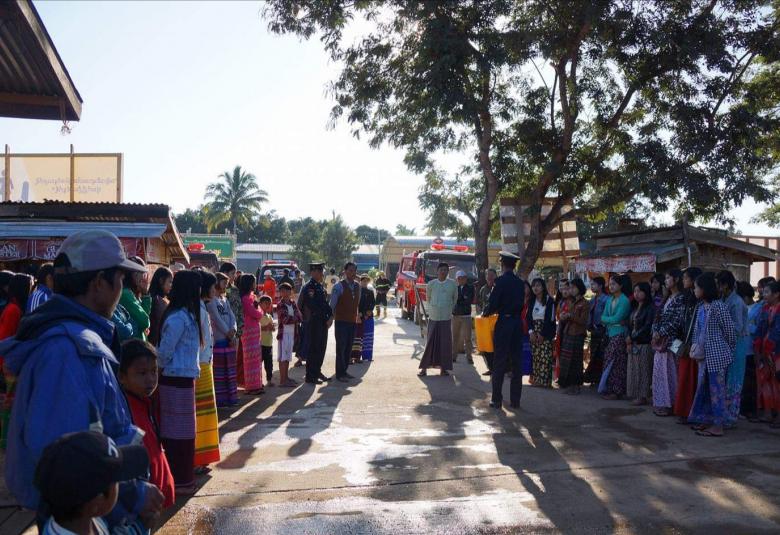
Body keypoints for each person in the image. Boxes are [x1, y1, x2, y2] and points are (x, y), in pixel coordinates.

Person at [0, 230, 164, 529]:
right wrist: (133, 496)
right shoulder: (68, 352)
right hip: (89, 519)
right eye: (120, 279)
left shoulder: (75, 340)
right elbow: (71, 467)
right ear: (99, 283)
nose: (122, 289)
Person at [34, 431, 151, 535]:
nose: (120, 484)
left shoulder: (84, 520)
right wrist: (140, 529)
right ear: (97, 502)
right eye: (117, 481)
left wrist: (139, 528)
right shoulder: (88, 519)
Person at [157, 270, 202, 495]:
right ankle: (178, 480)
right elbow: (164, 352)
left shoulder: (185, 315)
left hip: (182, 378)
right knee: (176, 434)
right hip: (174, 379)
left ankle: (183, 479)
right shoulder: (178, 318)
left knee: (184, 433)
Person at [118, 339, 175, 509]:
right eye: (142, 373)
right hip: (143, 499)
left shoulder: (147, 402)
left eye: (154, 371)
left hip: (155, 494)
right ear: (122, 377)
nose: (150, 379)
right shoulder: (124, 411)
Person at [688, 273, 736, 437]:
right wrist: (696, 351)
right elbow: (697, 332)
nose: (694, 290)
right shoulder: (701, 307)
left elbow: (730, 331)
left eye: (696, 287)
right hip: (703, 357)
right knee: (704, 390)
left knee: (717, 391)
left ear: (704, 289)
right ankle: (707, 420)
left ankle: (718, 425)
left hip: (717, 356)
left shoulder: (718, 307)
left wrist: (727, 351)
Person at [481, 252, 525, 409]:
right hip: (517, 323)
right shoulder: (520, 283)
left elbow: (493, 303)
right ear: (513, 266)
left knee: (499, 361)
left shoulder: (499, 282)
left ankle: (496, 399)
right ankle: (515, 401)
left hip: (504, 323)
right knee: (516, 362)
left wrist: (485, 313)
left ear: (502, 264)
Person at [0, 273, 33, 449]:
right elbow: (6, 338)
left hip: (8, 362)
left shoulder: (12, 307)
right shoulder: (14, 310)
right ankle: (6, 440)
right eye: (30, 286)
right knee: (10, 404)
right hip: (9, 363)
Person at [716, 270, 749, 428]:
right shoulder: (723, 299)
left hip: (736, 345)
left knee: (733, 381)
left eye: (718, 284)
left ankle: (730, 417)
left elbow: (737, 328)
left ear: (724, 285)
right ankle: (724, 414)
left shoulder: (736, 302)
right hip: (726, 345)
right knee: (725, 381)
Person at [651, 269, 686, 417]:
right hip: (661, 342)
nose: (666, 281)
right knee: (660, 373)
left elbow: (677, 321)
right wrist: (655, 331)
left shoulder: (681, 298)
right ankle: (662, 403)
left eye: (668, 278)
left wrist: (661, 332)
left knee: (672, 373)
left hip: (673, 341)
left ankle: (672, 404)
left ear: (676, 279)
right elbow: (658, 317)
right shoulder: (668, 298)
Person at [195, 271, 220, 470]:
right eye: (212, 286)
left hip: (205, 364)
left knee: (206, 414)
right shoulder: (197, 309)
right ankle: (198, 459)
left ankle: (202, 458)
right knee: (202, 415)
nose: (215, 290)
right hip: (201, 366)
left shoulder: (201, 307)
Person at [673, 266, 703, 422]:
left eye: (686, 278)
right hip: (684, 343)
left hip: (694, 345)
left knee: (692, 379)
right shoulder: (686, 298)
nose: (683, 280)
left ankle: (691, 413)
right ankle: (683, 411)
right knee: (684, 378)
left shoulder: (700, 302)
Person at [418, 263, 457, 377]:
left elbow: (455, 299)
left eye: (445, 270)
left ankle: (443, 369)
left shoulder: (452, 284)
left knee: (445, 343)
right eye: (441, 270)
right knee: (430, 342)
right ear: (437, 271)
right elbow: (428, 298)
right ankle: (424, 369)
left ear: (448, 272)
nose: (443, 272)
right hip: (434, 317)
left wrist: (448, 308)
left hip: (446, 317)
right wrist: (434, 308)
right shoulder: (431, 284)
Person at [298, 262, 333, 385]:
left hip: (322, 322)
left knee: (321, 348)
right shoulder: (310, 287)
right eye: (321, 272)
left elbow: (325, 304)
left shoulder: (319, 286)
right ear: (313, 272)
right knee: (314, 349)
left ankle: (317, 371)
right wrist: (326, 317)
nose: (322, 274)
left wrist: (331, 316)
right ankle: (310, 376)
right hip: (313, 322)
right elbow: (313, 306)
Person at [743, 277, 772, 421]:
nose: (761, 291)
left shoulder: (763, 308)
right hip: (756, 347)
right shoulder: (763, 307)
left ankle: (764, 412)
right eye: (761, 288)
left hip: (768, 349)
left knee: (761, 382)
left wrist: (747, 327)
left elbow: (762, 328)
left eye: (765, 289)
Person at [208, 272, 238, 407]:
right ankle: (221, 400)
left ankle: (231, 398)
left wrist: (233, 330)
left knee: (230, 372)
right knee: (220, 373)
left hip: (229, 340)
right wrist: (228, 333)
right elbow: (216, 318)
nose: (226, 286)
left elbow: (232, 317)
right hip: (219, 340)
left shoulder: (225, 299)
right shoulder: (211, 301)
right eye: (224, 283)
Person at [599, 276, 631, 400]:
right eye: (610, 284)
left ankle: (617, 391)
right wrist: (609, 320)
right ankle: (609, 389)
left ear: (620, 285)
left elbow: (616, 318)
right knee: (608, 362)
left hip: (620, 334)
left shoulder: (624, 300)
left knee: (617, 364)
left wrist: (608, 320)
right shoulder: (610, 299)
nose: (611, 286)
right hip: (610, 334)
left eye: (614, 284)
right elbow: (603, 317)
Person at [330, 262, 361, 382]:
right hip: (341, 321)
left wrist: (357, 316)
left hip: (352, 321)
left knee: (348, 347)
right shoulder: (338, 286)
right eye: (350, 270)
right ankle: (339, 373)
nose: (353, 273)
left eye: (354, 271)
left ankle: (344, 371)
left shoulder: (357, 286)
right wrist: (330, 318)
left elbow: (357, 303)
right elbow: (332, 305)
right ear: (345, 271)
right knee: (341, 348)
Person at [755, 281, 780, 427]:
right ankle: (768, 412)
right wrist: (758, 347)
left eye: (766, 292)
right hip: (765, 351)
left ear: (776, 294)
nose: (763, 295)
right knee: (765, 382)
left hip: (777, 352)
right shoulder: (764, 309)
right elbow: (759, 329)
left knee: (777, 383)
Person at [558, 278, 589, 395]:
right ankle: (568, 384)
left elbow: (583, 320)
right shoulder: (572, 302)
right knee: (566, 360)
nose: (571, 290)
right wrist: (564, 316)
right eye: (570, 287)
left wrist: (570, 316)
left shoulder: (584, 303)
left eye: (573, 287)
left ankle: (576, 386)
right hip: (568, 332)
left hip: (577, 334)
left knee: (575, 361)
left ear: (579, 288)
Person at [627, 282, 654, 405]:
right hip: (633, 343)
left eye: (639, 291)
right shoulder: (634, 308)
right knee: (634, 370)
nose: (636, 294)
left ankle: (643, 396)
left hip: (644, 343)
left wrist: (632, 337)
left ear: (645, 292)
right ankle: (636, 394)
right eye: (635, 291)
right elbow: (629, 325)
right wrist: (628, 337)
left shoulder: (650, 308)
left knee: (643, 371)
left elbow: (647, 327)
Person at [239, 274, 265, 395]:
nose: (255, 285)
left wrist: (259, 312)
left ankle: (256, 384)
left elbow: (259, 311)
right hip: (248, 331)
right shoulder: (245, 298)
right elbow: (256, 312)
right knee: (250, 359)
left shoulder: (251, 296)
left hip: (254, 330)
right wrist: (259, 312)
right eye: (254, 282)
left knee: (256, 358)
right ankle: (251, 386)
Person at [221, 262, 245, 388]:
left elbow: (239, 310)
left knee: (233, 361)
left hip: (235, 331)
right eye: (232, 273)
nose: (234, 276)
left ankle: (232, 387)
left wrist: (240, 328)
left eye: (234, 273)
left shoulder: (235, 289)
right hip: (222, 332)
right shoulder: (217, 290)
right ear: (224, 273)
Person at [529, 278, 556, 388]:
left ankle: (545, 382)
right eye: (533, 286)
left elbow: (550, 319)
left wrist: (542, 334)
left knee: (545, 356)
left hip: (546, 330)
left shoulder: (550, 301)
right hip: (534, 331)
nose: (535, 288)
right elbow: (528, 318)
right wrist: (531, 332)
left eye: (538, 285)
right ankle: (537, 379)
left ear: (543, 287)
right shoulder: (532, 300)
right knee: (536, 356)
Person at [584, 277, 609, 385]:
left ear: (600, 286)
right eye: (591, 284)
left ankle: (601, 380)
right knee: (593, 354)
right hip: (593, 330)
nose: (591, 286)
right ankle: (594, 378)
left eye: (594, 284)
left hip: (603, 330)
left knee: (601, 355)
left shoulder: (606, 299)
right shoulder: (592, 300)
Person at [119, 256, 151, 341]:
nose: (143, 277)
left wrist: (145, 295)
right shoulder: (126, 294)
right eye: (141, 273)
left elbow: (144, 315)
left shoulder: (133, 293)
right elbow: (145, 322)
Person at [277, 282, 302, 387]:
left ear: (291, 291)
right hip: (284, 334)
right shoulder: (280, 304)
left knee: (287, 357)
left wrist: (294, 318)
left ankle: (286, 378)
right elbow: (285, 320)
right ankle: (283, 381)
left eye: (288, 290)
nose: (286, 292)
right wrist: (295, 318)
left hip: (291, 333)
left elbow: (300, 316)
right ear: (280, 292)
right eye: (283, 290)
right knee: (283, 357)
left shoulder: (292, 303)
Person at [452, 270, 475, 365]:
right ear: (457, 279)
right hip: (456, 315)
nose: (461, 280)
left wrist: (459, 300)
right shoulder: (455, 288)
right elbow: (453, 300)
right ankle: (453, 356)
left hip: (466, 315)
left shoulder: (470, 288)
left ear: (466, 278)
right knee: (455, 337)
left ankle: (469, 357)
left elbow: (468, 300)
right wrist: (461, 299)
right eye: (459, 278)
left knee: (468, 337)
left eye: (463, 278)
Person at [477, 268, 497, 376]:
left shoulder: (498, 288)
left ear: (495, 276)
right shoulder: (483, 289)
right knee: (486, 345)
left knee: (495, 345)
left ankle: (499, 368)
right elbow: (480, 304)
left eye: (491, 275)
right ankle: (491, 368)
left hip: (496, 320)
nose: (489, 277)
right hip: (485, 321)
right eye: (487, 275)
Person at [148, 267, 173, 346]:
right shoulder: (157, 300)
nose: (171, 285)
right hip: (156, 343)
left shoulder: (161, 299)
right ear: (161, 281)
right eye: (170, 282)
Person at [259, 296, 276, 386]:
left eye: (269, 304)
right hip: (260, 344)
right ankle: (259, 381)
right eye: (266, 303)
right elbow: (257, 328)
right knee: (259, 364)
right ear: (260, 304)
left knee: (269, 364)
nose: (268, 305)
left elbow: (273, 329)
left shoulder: (269, 316)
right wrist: (265, 327)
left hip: (269, 344)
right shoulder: (258, 315)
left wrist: (272, 327)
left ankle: (269, 380)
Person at [359, 274, 376, 361]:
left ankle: (368, 356)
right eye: (363, 280)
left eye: (366, 281)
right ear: (360, 281)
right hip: (360, 318)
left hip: (369, 317)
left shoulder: (370, 292)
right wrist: (362, 313)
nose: (365, 282)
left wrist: (369, 312)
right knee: (359, 337)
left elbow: (373, 303)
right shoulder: (357, 292)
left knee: (368, 337)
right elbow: (357, 305)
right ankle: (357, 357)